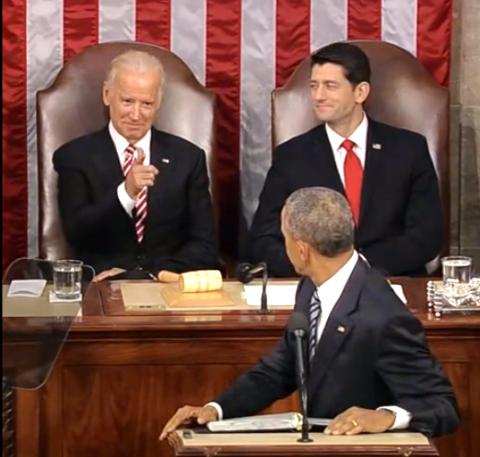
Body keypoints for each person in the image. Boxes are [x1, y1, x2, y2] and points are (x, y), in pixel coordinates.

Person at [161, 187, 459, 440]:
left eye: (284, 237)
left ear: (302, 250)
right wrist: (215, 410)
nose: (283, 246)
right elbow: (283, 367)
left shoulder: (383, 317)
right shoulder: (309, 287)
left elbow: (442, 406)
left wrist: (385, 417)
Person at [248, 42, 443, 277]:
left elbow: (426, 236)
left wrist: (357, 266)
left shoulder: (409, 149)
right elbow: (262, 240)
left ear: (360, 92)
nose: (318, 96)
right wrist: (318, 268)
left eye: (330, 86)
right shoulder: (291, 156)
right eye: (314, 86)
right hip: (315, 285)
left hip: (390, 281)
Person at [53, 50, 220, 280]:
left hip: (166, 288)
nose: (136, 114)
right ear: (107, 94)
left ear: (159, 102)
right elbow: (78, 233)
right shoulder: (74, 157)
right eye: (127, 101)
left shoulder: (188, 158)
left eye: (147, 104)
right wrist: (126, 193)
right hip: (102, 289)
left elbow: (204, 245)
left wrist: (147, 275)